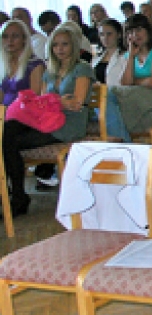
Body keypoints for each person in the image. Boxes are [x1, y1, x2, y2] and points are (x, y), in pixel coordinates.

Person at [2, 22, 95, 216]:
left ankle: (18, 197)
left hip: (69, 124)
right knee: (8, 129)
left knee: (8, 142)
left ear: (73, 46)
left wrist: (55, 101)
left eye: (65, 44)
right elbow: (41, 102)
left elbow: (77, 103)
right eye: (55, 45)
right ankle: (16, 195)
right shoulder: (50, 72)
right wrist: (60, 101)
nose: (60, 49)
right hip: (47, 120)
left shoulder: (82, 68)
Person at [106, 14, 152, 143]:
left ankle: (124, 146)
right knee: (106, 105)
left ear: (148, 30)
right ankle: (125, 145)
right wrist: (131, 56)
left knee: (110, 95)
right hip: (139, 100)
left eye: (139, 30)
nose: (135, 35)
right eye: (130, 32)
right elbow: (125, 83)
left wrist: (135, 81)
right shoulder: (130, 54)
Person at [1, 19, 45, 107]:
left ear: (24, 39)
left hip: (24, 112)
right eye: (5, 36)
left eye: (15, 36)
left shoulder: (35, 65)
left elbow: (35, 99)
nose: (10, 40)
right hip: (3, 112)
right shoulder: (4, 64)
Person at [91, 18, 129, 87]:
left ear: (119, 35)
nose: (105, 38)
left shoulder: (126, 56)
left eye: (109, 34)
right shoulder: (96, 57)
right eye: (102, 34)